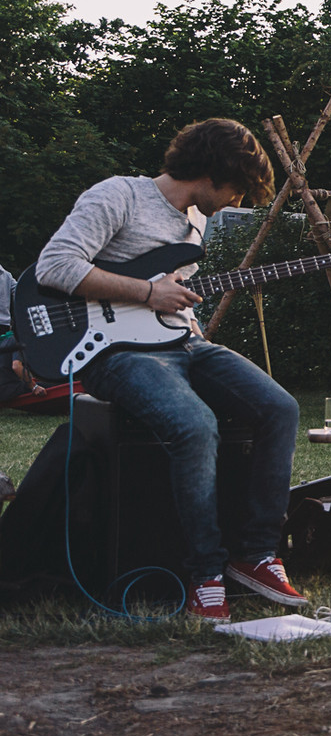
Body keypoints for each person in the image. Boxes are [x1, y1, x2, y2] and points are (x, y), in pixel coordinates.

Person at [33, 118, 302, 621]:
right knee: (194, 426)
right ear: (213, 173)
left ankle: (257, 554)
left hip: (184, 342)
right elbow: (55, 266)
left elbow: (172, 298)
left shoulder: (194, 223)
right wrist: (148, 291)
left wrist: (185, 320)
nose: (238, 202)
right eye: (238, 189)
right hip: (113, 354)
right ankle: (205, 575)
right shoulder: (119, 196)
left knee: (279, 408)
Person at [0, 262, 46, 403]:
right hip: (4, 323)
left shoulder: (6, 275)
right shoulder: (6, 275)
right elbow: (20, 293)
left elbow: (19, 291)